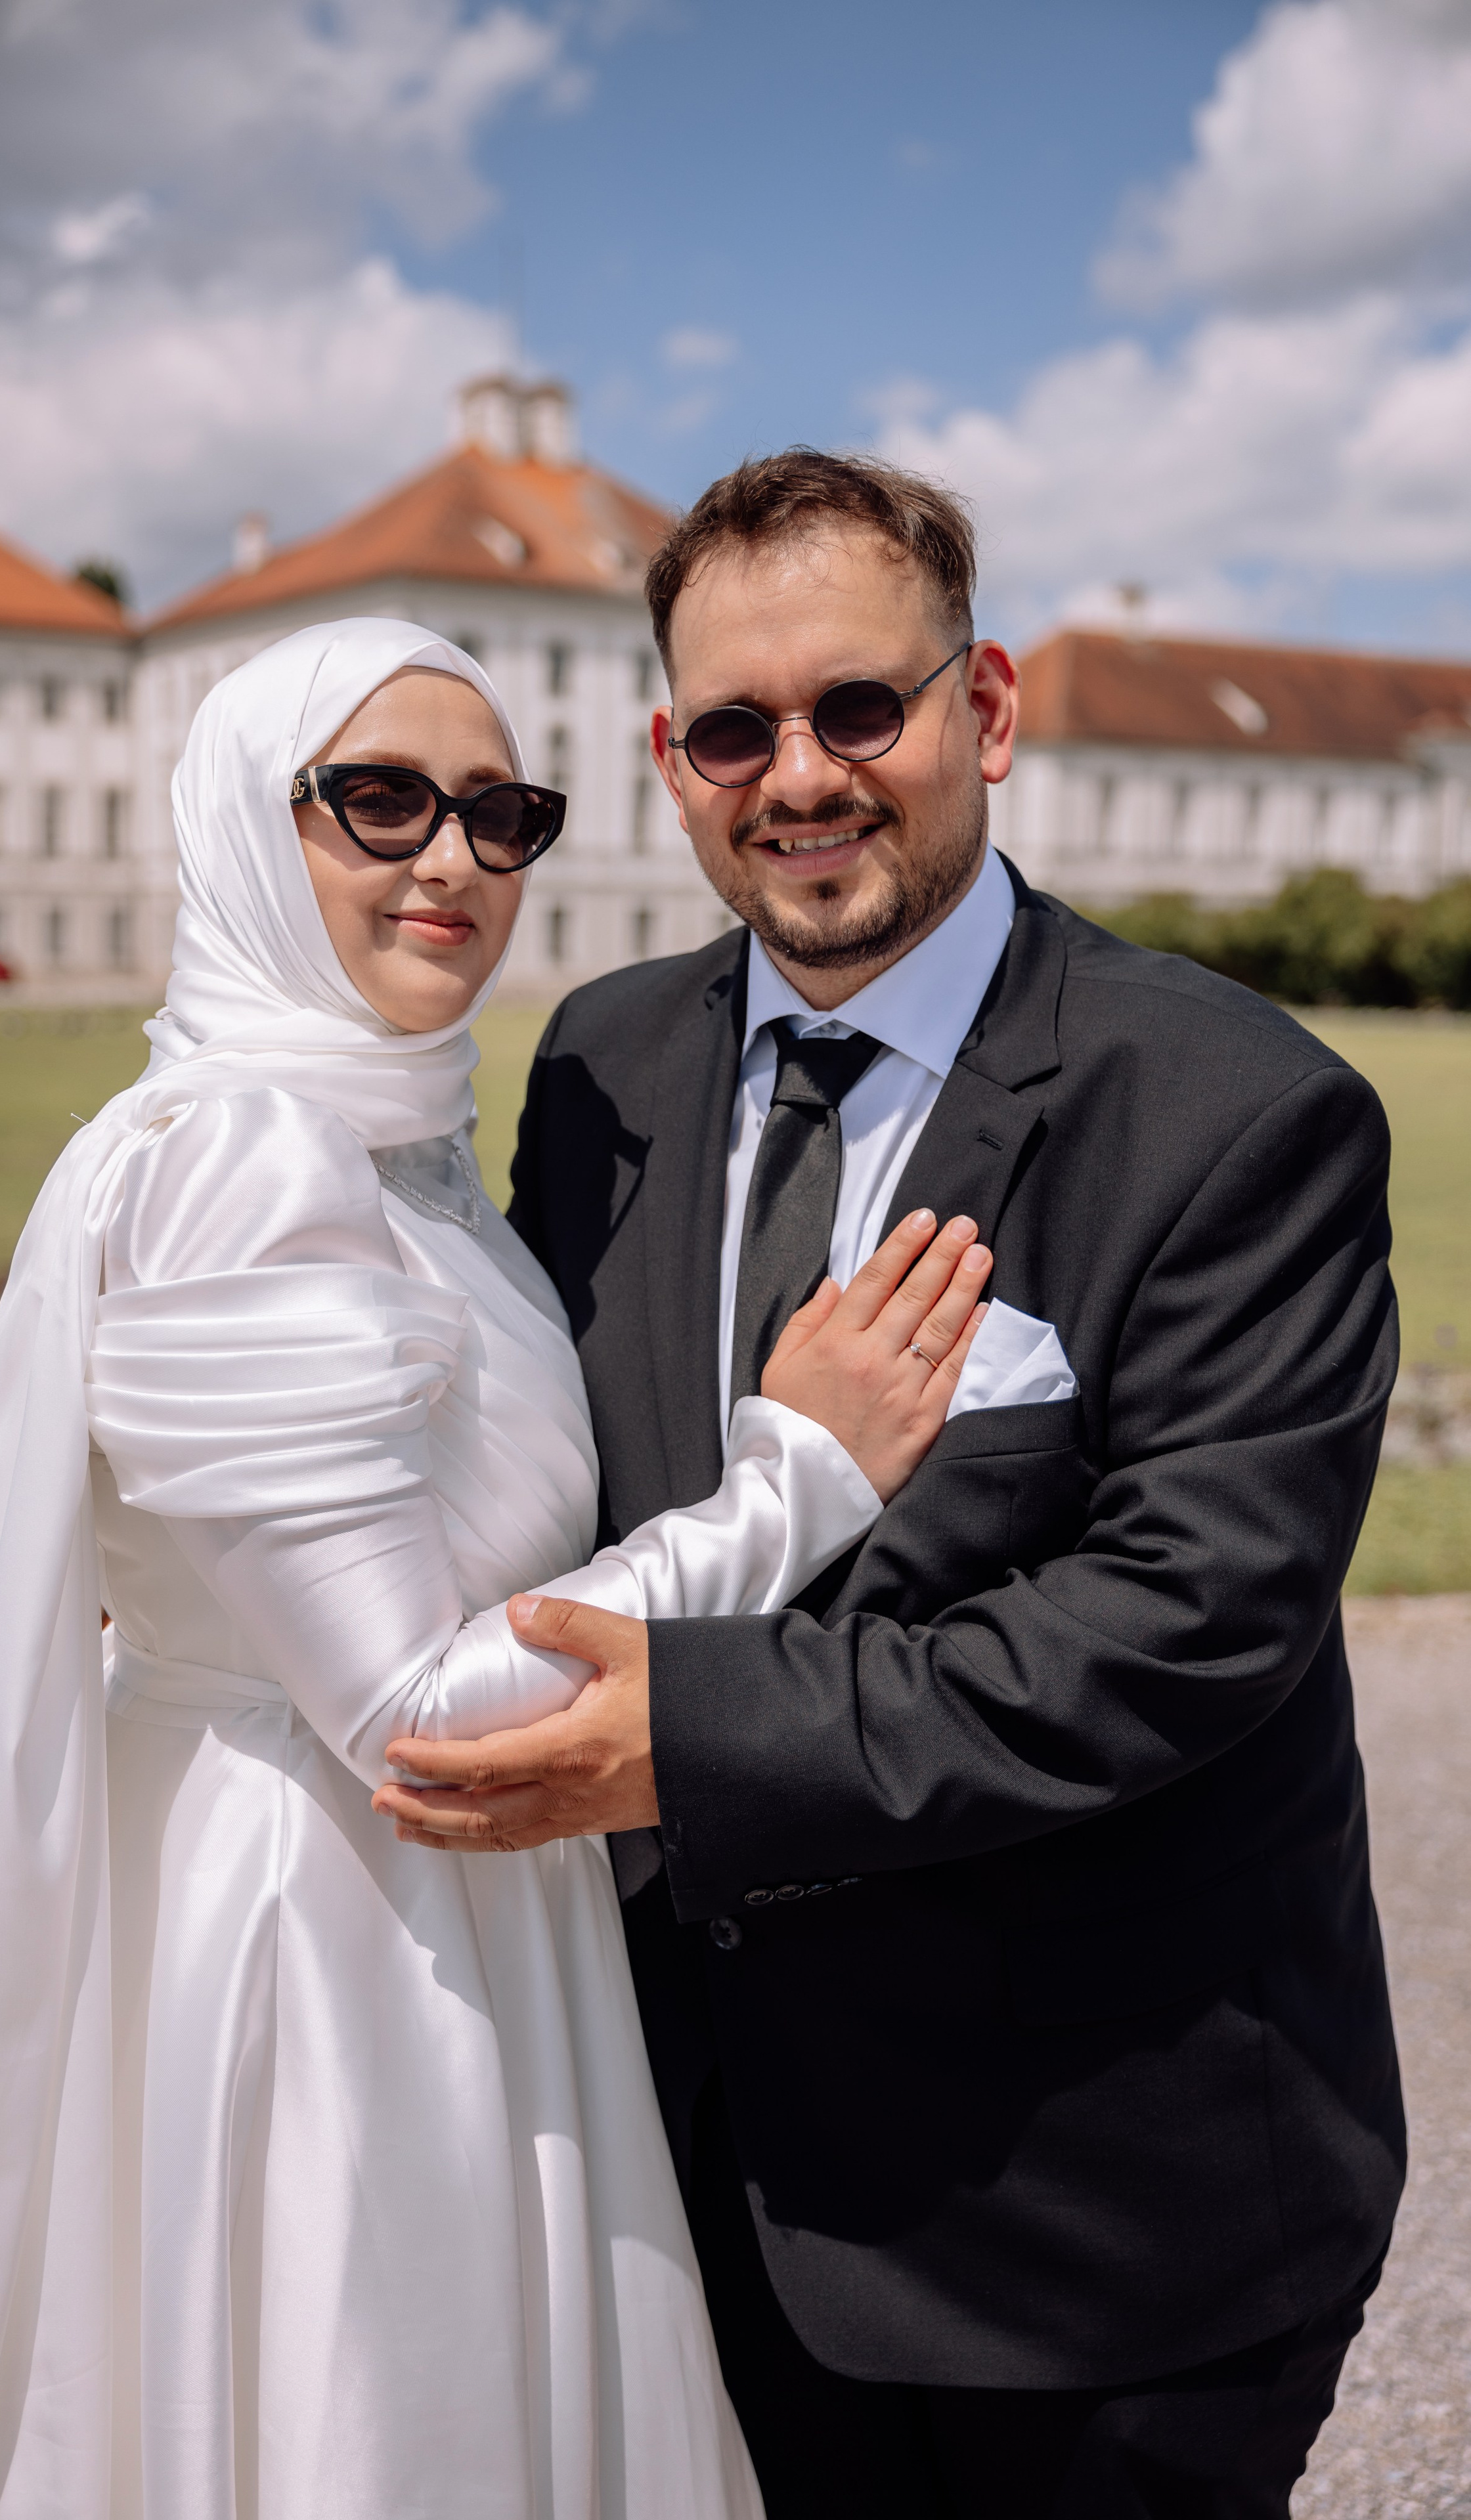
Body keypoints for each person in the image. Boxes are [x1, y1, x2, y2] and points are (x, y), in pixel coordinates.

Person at [0, 619, 994, 2516]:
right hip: (331, 1933)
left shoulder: (391, 1138)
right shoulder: (244, 1159)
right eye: (381, 801)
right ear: (249, 828)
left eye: (501, 813)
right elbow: (413, 1718)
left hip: (424, 1905)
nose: (452, 860)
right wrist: (804, 1470)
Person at [373, 454, 1407, 2519]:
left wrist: (688, 1735)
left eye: (865, 709)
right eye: (736, 732)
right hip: (685, 2182)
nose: (804, 778)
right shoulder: (600, 1067)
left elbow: (1183, 1624)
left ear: (986, 711)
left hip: (1093, 2221)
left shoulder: (1236, 1109)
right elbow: (553, 1483)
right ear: (672, 760)